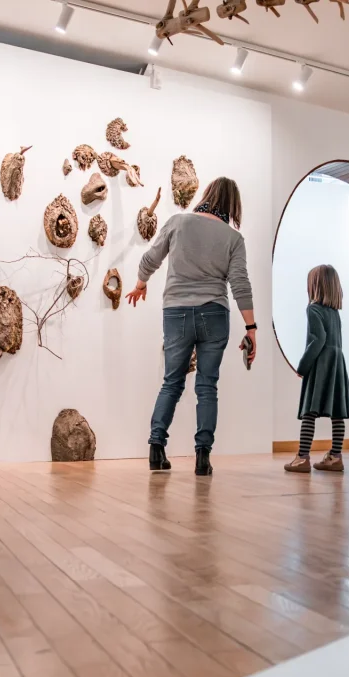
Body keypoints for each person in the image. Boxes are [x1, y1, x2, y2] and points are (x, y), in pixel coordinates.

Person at [125, 177, 256, 477]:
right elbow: (240, 283)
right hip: (215, 313)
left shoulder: (178, 222)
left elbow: (150, 258)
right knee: (207, 387)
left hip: (176, 312)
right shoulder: (234, 239)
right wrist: (251, 327)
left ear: (207, 195)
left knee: (172, 382)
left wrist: (141, 284)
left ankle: (156, 449)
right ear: (233, 205)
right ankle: (202, 458)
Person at [285, 264, 349, 473]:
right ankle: (335, 456)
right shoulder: (335, 313)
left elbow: (318, 339)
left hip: (321, 363)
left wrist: (303, 366)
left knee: (310, 411)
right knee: (337, 412)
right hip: (337, 363)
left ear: (314, 286)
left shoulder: (313, 309)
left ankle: (302, 457)